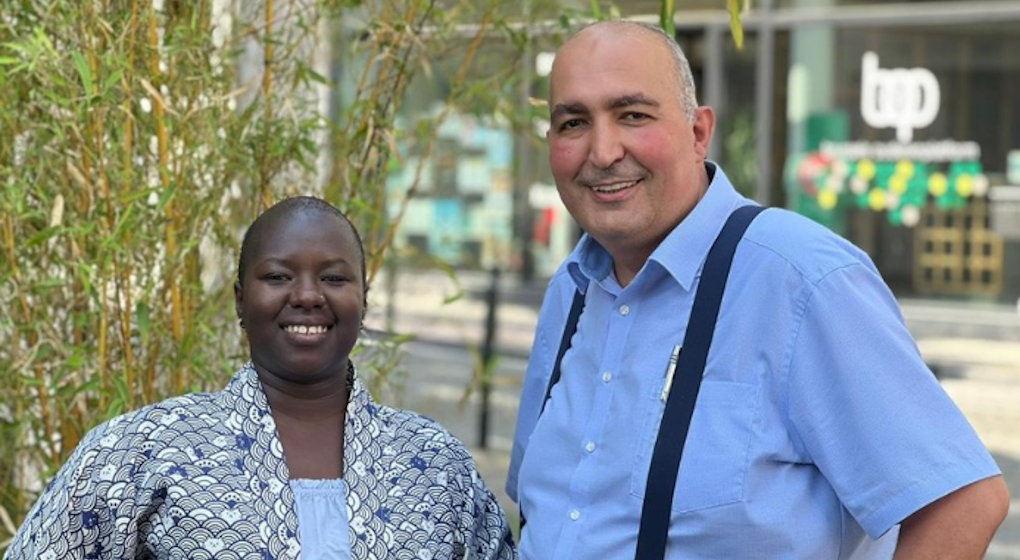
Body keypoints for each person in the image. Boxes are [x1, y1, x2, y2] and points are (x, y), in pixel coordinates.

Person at [507, 20, 1009, 559]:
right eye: (573, 123)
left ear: (699, 132)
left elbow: (962, 503)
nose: (603, 151)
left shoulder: (798, 278)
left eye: (633, 115)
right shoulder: (572, 290)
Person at [6, 196, 516, 560]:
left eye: (334, 278)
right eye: (278, 277)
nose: (308, 295)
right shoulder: (143, 449)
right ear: (240, 300)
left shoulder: (433, 463)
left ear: (364, 299)